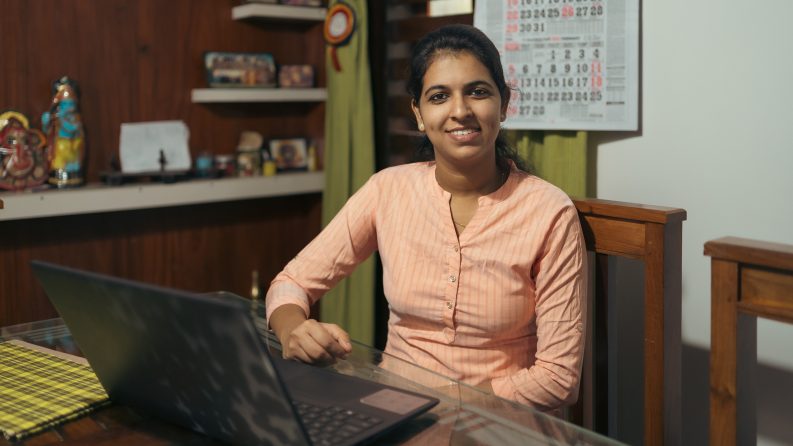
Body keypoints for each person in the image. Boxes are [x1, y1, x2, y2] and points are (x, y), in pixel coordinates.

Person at [266, 24, 587, 412]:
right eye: (439, 96)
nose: (460, 111)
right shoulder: (388, 190)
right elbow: (292, 282)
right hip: (394, 412)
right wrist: (291, 329)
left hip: (499, 424)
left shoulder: (549, 212)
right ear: (418, 113)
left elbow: (557, 379)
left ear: (503, 104)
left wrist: (441, 404)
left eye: (478, 92)